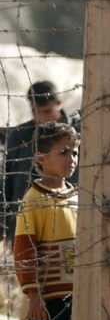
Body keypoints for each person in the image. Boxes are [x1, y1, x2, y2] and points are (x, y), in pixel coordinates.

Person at [13, 121, 79, 320]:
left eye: (74, 152)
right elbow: (25, 250)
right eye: (63, 152)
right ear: (40, 157)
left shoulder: (78, 197)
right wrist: (34, 293)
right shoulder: (34, 199)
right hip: (49, 299)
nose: (71, 159)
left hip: (77, 295)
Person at [2, 81, 78, 245]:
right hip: (25, 223)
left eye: (47, 111)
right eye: (36, 112)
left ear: (59, 104)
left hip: (70, 222)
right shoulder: (19, 135)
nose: (41, 118)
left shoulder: (81, 132)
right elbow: (6, 181)